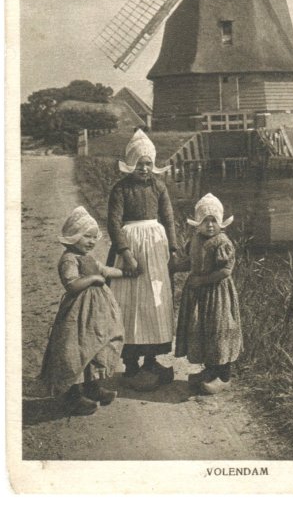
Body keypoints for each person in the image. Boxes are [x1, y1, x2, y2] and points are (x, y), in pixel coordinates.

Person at [107, 129, 179, 391]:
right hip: (131, 247)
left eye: (148, 163)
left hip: (155, 249)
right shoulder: (121, 189)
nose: (145, 169)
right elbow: (114, 223)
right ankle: (131, 365)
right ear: (130, 164)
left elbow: (168, 218)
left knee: (154, 300)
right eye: (140, 164)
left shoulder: (159, 187)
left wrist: (173, 248)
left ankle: (151, 360)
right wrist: (125, 253)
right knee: (129, 301)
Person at [38, 206, 125, 416]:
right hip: (78, 313)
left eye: (94, 237)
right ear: (74, 236)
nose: (92, 241)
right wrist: (93, 278)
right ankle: (73, 395)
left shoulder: (89, 258)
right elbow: (71, 284)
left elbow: (105, 270)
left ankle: (93, 386)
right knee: (76, 349)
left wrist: (126, 272)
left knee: (96, 346)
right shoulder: (69, 258)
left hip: (97, 314)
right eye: (87, 236)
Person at [173, 193, 243, 395]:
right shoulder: (196, 240)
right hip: (199, 295)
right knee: (203, 330)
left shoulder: (222, 242)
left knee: (219, 328)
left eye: (214, 221)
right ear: (198, 224)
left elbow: (226, 271)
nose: (210, 225)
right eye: (205, 221)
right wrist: (174, 267)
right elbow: (191, 262)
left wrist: (203, 280)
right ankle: (210, 370)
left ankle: (223, 375)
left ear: (221, 223)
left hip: (217, 293)